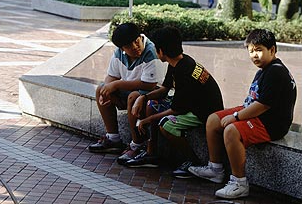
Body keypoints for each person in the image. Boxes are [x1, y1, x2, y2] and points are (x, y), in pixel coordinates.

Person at [188, 29, 297, 199]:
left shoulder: (276, 72)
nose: (254, 55)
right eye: (251, 51)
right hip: (257, 113)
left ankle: (239, 182)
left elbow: (262, 106)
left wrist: (237, 117)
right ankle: (215, 168)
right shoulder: (265, 69)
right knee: (213, 120)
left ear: (273, 50)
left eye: (259, 50)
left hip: (271, 123)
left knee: (232, 130)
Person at [120, 27, 224, 173]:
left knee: (166, 124)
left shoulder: (184, 71)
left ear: (161, 51)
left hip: (203, 113)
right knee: (152, 104)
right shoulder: (178, 62)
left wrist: (146, 120)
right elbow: (164, 89)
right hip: (191, 106)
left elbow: (177, 109)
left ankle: (193, 162)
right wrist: (143, 98)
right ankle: (151, 153)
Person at [88, 23, 164, 154]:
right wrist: (106, 91)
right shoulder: (118, 54)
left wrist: (117, 85)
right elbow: (112, 76)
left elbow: (149, 85)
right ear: (122, 48)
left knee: (133, 97)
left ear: (140, 37)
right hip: (130, 92)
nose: (135, 47)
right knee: (101, 89)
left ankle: (137, 145)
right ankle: (113, 139)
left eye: (136, 41)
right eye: (129, 46)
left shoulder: (151, 52)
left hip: (152, 96)